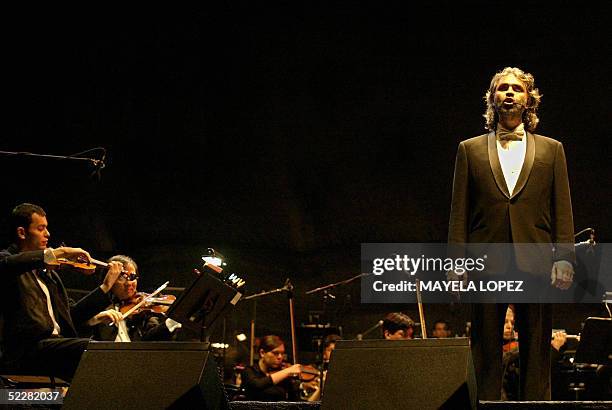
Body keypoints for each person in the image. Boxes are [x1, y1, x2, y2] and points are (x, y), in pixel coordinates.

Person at [448, 67, 575, 400]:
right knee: (485, 350)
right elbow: (459, 211)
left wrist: (565, 258)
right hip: (485, 261)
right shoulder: (469, 149)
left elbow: (562, 207)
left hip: (535, 258)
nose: (508, 93)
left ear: (528, 100)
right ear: (492, 99)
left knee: (536, 347)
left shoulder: (552, 149)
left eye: (515, 89)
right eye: (502, 88)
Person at [0, 203, 123, 381]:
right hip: (26, 350)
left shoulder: (49, 276)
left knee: (103, 355)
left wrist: (105, 287)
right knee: (93, 351)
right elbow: (9, 264)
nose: (48, 234)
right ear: (22, 232)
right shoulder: (6, 262)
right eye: (41, 228)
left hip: (53, 349)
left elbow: (71, 315)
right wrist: (61, 252)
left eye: (47, 228)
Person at [83, 254, 181, 342]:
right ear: (109, 279)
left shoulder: (142, 312)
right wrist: (96, 318)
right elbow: (77, 328)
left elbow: (149, 342)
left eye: (133, 277)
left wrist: (172, 322)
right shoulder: (96, 306)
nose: (129, 283)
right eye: (122, 277)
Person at [241, 335, 303, 401]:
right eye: (276, 353)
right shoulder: (249, 371)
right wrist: (287, 371)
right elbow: (257, 385)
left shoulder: (283, 376)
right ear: (262, 353)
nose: (280, 357)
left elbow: (294, 401)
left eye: (282, 353)